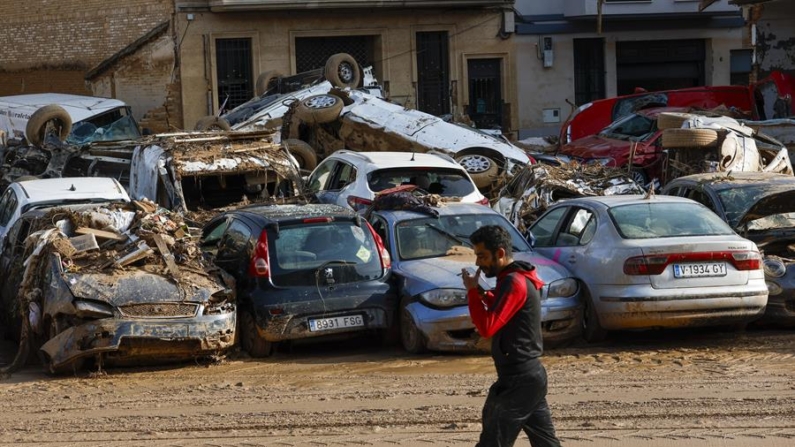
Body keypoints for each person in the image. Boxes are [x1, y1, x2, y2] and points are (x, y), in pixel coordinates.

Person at [461, 225, 561, 447]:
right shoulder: (511, 278)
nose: (478, 263)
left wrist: (471, 294)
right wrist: (480, 292)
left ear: (500, 253)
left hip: (520, 379)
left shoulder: (514, 281)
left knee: (492, 442)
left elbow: (488, 327)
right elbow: (501, 305)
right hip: (525, 377)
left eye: (482, 256)